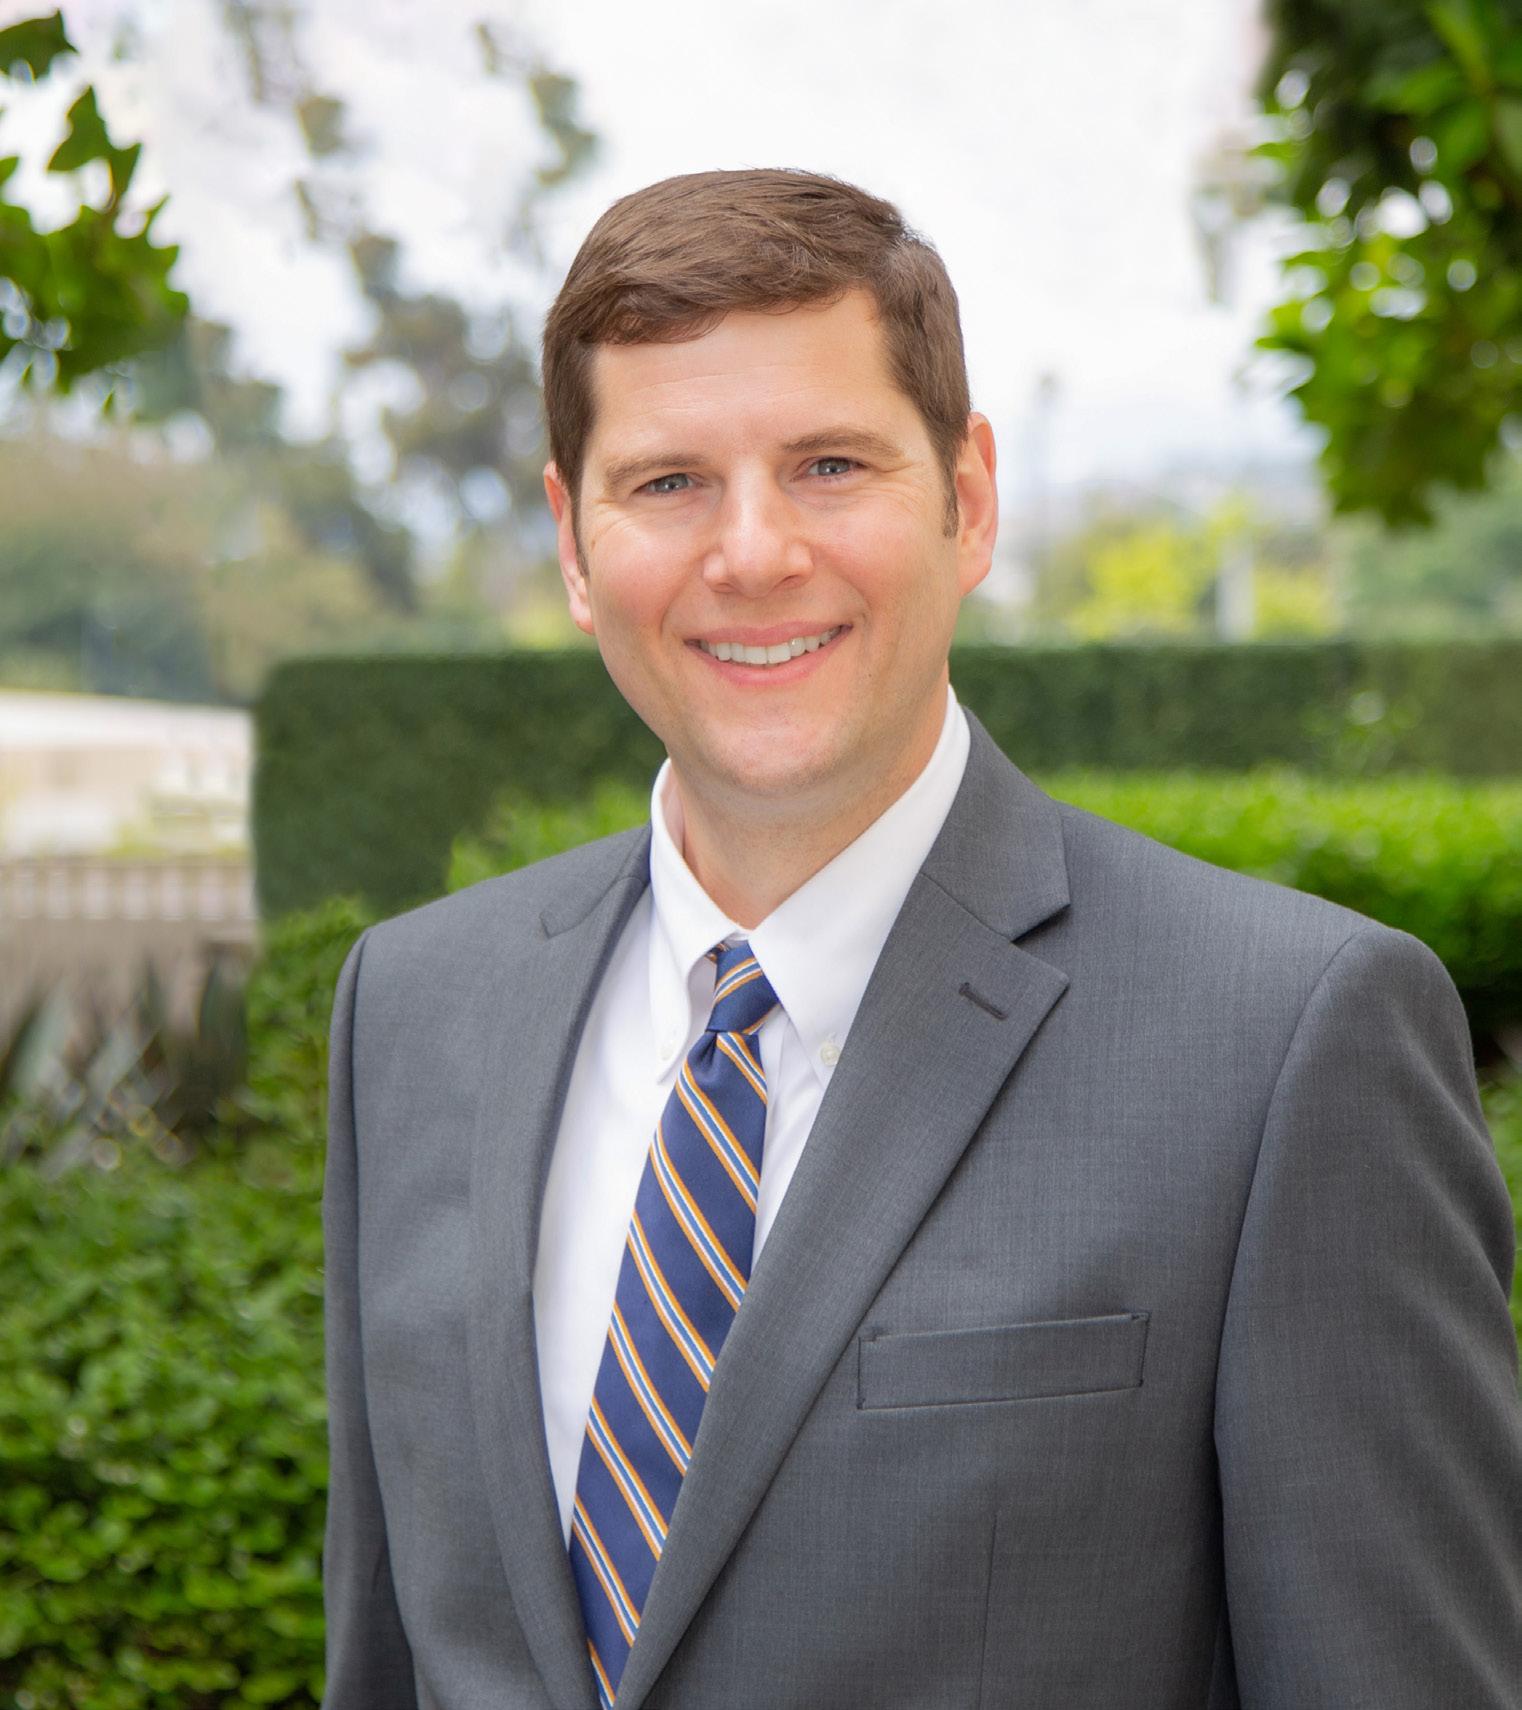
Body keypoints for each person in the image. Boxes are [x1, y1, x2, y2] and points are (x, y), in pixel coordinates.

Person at [321, 168, 1522, 1710]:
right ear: (571, 540)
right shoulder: (414, 1007)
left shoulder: (1287, 1039)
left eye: (827, 465)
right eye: (668, 481)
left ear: (968, 498)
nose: (752, 551)